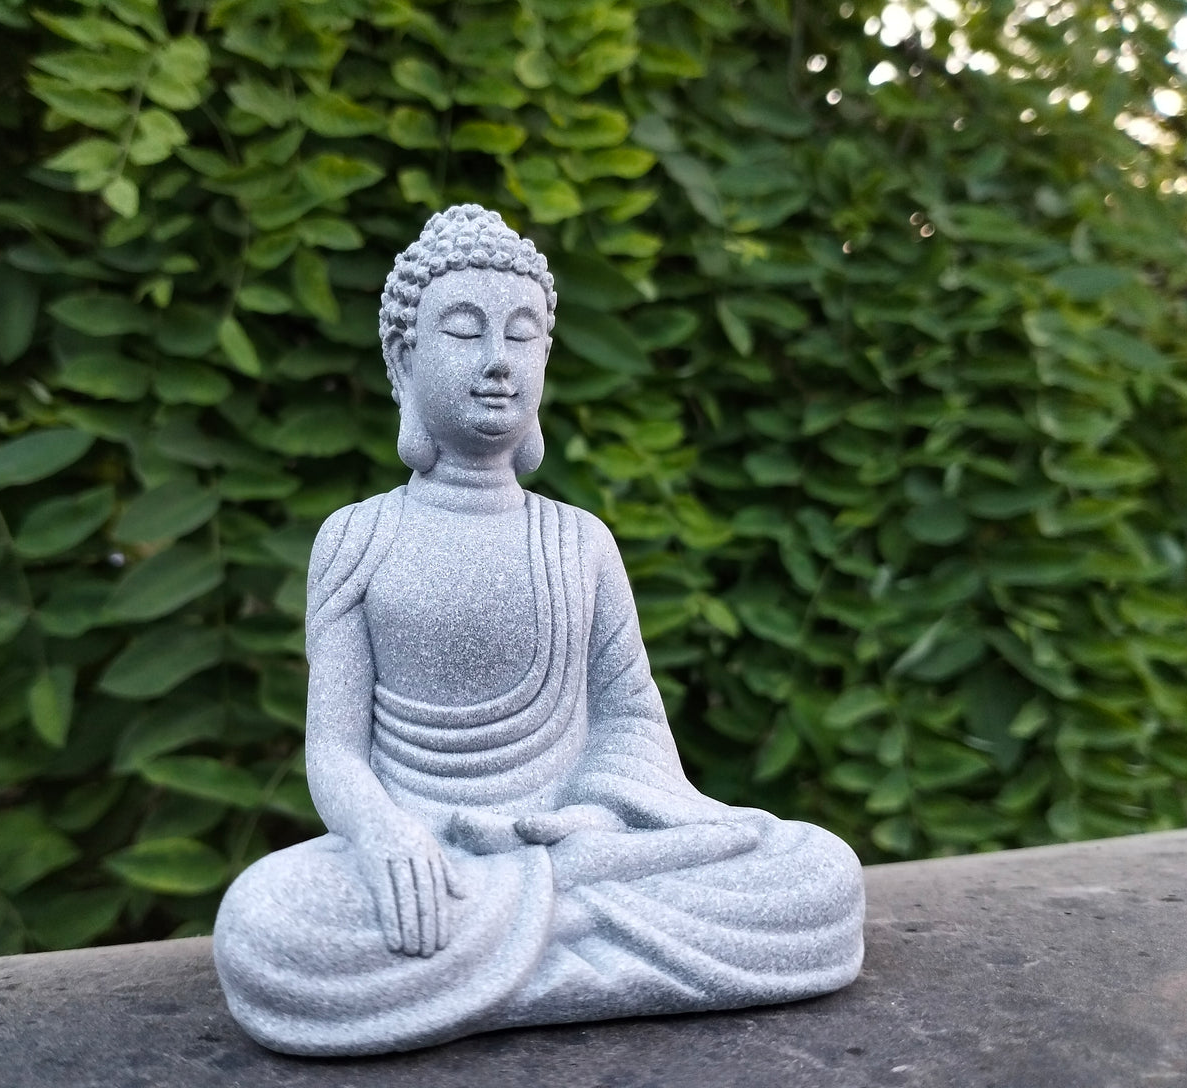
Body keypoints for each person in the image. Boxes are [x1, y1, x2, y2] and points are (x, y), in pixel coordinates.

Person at [212, 205, 864, 1056]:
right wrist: (383, 835)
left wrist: (591, 819)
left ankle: (527, 944)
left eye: (522, 337)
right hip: (428, 861)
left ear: (546, 359)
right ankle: (585, 947)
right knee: (268, 925)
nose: (496, 362)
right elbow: (334, 751)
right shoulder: (356, 537)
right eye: (463, 330)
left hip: (576, 846)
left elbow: (629, 717)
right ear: (403, 360)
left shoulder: (578, 539)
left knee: (816, 872)